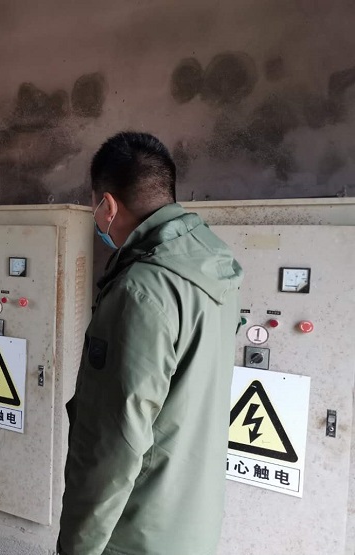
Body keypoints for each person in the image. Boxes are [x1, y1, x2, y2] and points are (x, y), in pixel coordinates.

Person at [58, 132, 243, 555]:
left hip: (134, 532)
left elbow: (114, 445)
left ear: (107, 206)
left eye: (94, 206)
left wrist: (77, 546)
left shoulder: (141, 290)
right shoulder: (211, 264)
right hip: (190, 520)